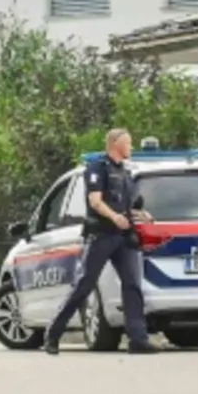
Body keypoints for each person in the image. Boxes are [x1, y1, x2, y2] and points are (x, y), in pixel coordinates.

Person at [42, 128, 158, 355]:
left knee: (133, 285)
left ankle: (138, 339)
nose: (131, 147)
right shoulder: (97, 168)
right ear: (115, 143)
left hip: (124, 238)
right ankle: (53, 333)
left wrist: (143, 215)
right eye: (128, 143)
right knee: (84, 285)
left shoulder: (125, 173)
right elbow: (95, 201)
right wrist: (114, 217)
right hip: (101, 236)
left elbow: (128, 207)